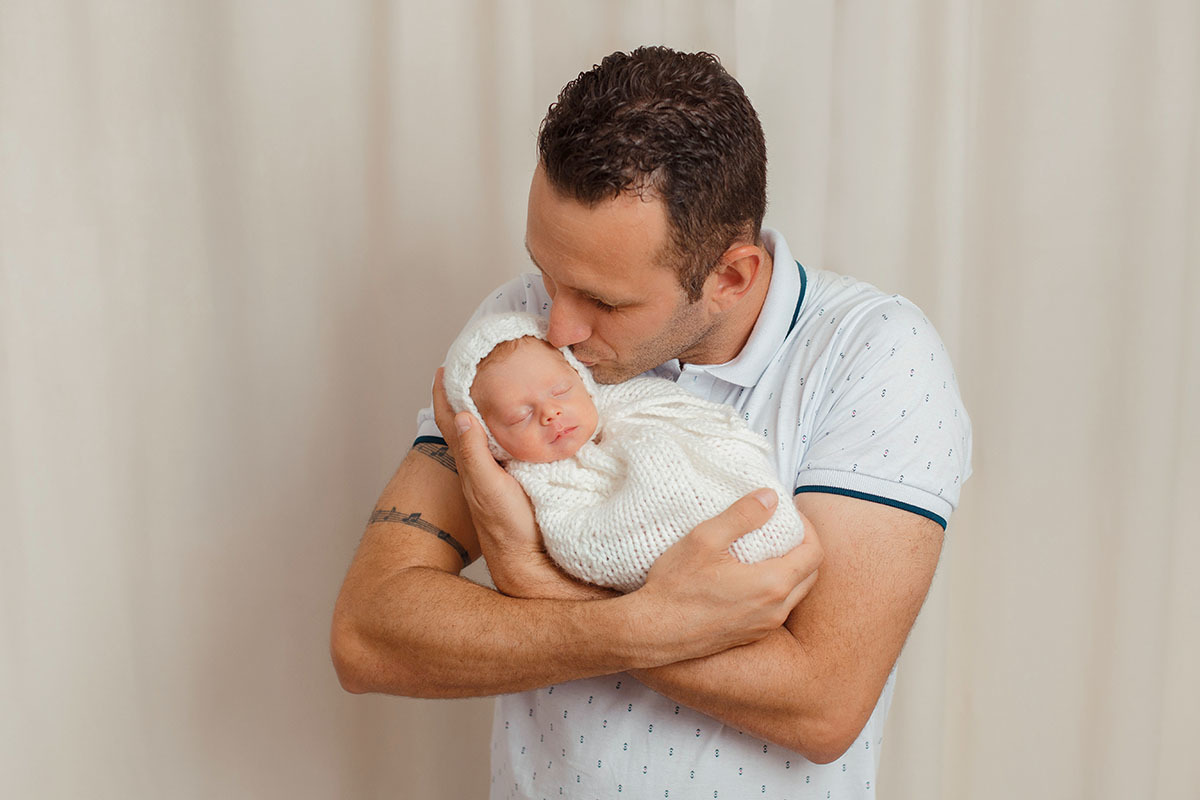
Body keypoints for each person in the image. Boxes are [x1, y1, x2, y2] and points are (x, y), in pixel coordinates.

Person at [332, 46, 971, 799]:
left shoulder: (873, 354)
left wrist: (538, 580)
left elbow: (822, 705)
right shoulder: (515, 329)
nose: (558, 329)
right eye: (547, 273)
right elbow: (368, 635)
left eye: (605, 301)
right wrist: (632, 626)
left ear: (729, 276)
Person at [442, 311, 806, 592]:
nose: (550, 413)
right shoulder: (535, 481)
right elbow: (580, 541)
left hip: (740, 508)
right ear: (491, 438)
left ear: (581, 380)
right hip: (671, 561)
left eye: (560, 391)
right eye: (520, 416)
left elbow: (714, 430)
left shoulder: (635, 399)